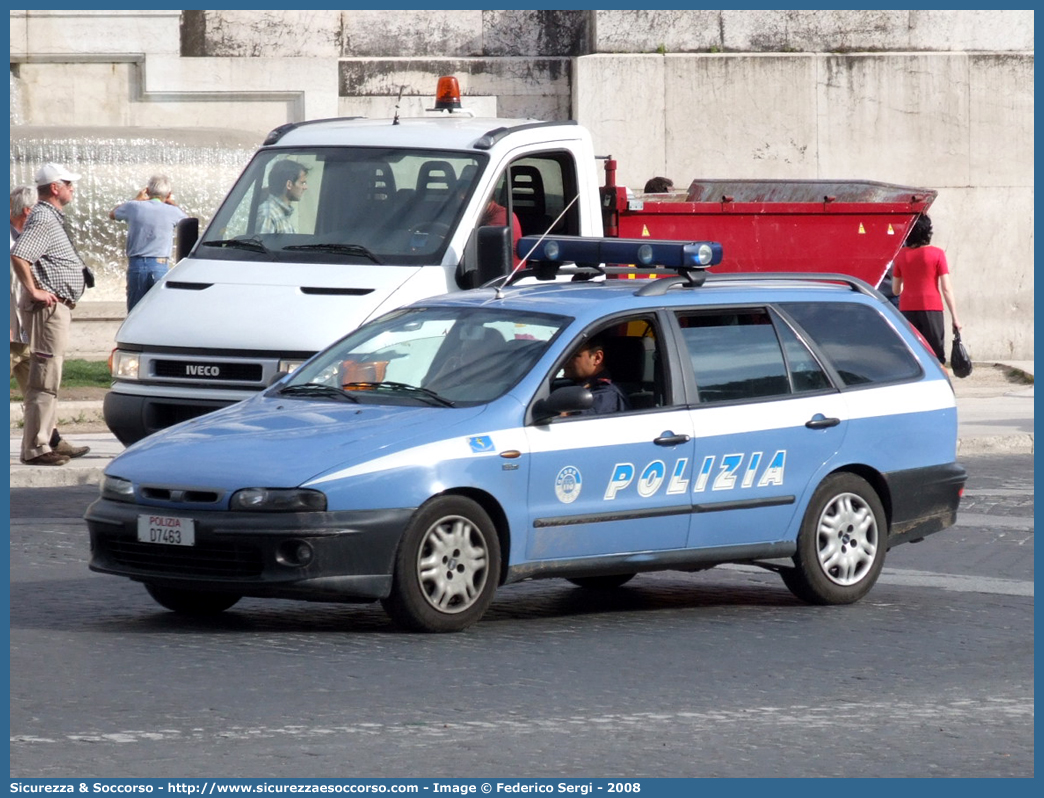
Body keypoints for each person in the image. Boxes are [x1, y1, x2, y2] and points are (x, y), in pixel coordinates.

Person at [11, 163, 90, 466]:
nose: (73, 188)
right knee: (44, 380)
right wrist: (35, 291)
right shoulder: (43, 217)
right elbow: (19, 255)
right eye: (69, 183)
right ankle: (36, 447)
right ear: (55, 187)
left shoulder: (48, 217)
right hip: (48, 310)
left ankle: (46, 441)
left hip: (54, 309)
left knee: (47, 378)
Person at [109, 174, 188, 311]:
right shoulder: (173, 211)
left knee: (135, 312)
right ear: (169, 194)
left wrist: (136, 199)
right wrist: (173, 203)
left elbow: (113, 214)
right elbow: (188, 222)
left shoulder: (134, 207)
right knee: (158, 313)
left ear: (147, 191)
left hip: (137, 265)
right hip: (160, 265)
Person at [892, 213, 962, 364]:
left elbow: (895, 290)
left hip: (907, 308)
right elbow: (946, 288)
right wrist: (955, 318)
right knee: (935, 354)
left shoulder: (901, 255)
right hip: (932, 307)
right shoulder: (937, 254)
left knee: (912, 353)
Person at [562, 335, 630, 416]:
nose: (565, 361)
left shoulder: (606, 396)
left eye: (573, 356)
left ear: (597, 358)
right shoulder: (582, 385)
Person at [256, 159, 308, 234]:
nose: (305, 187)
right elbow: (260, 245)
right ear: (289, 184)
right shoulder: (268, 215)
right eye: (302, 183)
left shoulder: (281, 213)